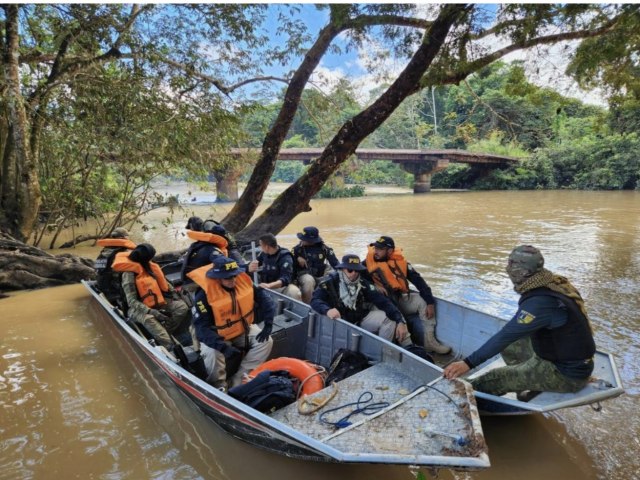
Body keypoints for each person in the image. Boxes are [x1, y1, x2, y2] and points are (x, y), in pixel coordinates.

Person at [443, 245, 596, 399]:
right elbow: (510, 335)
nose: (507, 268)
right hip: (566, 358)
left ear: (523, 272)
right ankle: (526, 384)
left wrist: (467, 363)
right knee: (511, 345)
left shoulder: (539, 303)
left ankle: (467, 396)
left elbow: (505, 335)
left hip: (566, 374)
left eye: (511, 264)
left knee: (494, 378)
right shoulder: (553, 283)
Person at [188, 256, 274, 390]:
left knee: (266, 341)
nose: (233, 280)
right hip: (215, 335)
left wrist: (268, 324)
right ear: (218, 278)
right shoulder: (203, 296)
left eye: (234, 276)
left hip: (241, 330)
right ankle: (219, 387)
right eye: (227, 277)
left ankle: (239, 379)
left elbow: (266, 301)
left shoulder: (243, 282)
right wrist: (224, 348)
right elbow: (202, 329)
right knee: (213, 353)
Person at [364, 235, 451, 354]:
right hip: (380, 304)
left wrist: (430, 302)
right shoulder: (366, 264)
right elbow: (358, 281)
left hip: (398, 298)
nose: (376, 251)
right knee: (394, 316)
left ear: (390, 251)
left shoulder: (401, 263)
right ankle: (410, 348)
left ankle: (430, 342)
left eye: (380, 249)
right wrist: (374, 286)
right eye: (375, 248)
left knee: (423, 301)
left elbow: (419, 281)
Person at [311, 254, 412, 347]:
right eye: (350, 270)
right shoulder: (330, 282)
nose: (354, 273)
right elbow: (315, 300)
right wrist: (327, 310)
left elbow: (384, 302)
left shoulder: (363, 284)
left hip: (359, 319)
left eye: (356, 270)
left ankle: (382, 352)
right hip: (337, 321)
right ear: (342, 269)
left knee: (389, 319)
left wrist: (400, 320)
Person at [112, 243, 191, 349]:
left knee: (181, 307)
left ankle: (165, 330)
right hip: (137, 308)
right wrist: (151, 311)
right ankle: (169, 346)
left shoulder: (150, 266)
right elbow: (131, 301)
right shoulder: (129, 275)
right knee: (149, 319)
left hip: (156, 302)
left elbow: (166, 285)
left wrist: (175, 295)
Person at [247, 233, 302, 301]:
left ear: (267, 247)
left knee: (294, 292)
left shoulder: (285, 257)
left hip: (281, 287)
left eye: (261, 246)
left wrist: (269, 285)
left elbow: (285, 278)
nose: (260, 248)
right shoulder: (264, 254)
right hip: (265, 285)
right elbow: (255, 263)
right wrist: (250, 266)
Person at [292, 226, 339, 304]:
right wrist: (296, 258)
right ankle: (308, 305)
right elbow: (289, 262)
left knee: (333, 275)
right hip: (305, 275)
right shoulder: (297, 249)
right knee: (309, 280)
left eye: (304, 239)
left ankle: (332, 302)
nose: (302, 240)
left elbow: (335, 263)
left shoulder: (324, 248)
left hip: (321, 274)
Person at [94, 227, 136, 304]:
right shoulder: (124, 253)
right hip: (114, 292)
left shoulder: (104, 251)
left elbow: (97, 270)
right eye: (127, 236)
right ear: (123, 238)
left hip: (102, 285)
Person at [180, 220, 230, 284]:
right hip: (195, 283)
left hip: (188, 278)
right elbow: (223, 265)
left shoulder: (197, 245)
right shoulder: (212, 249)